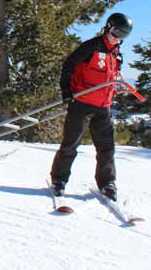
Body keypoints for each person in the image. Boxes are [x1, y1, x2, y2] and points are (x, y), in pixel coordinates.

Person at [50, 12, 133, 201]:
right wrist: (66, 91)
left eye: (124, 35)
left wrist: (115, 89)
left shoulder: (117, 55)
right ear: (109, 27)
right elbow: (69, 66)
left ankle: (107, 183)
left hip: (103, 107)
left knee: (107, 148)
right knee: (70, 144)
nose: (118, 38)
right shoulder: (91, 47)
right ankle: (59, 180)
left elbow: (109, 78)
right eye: (117, 32)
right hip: (82, 104)